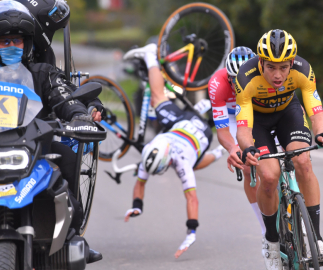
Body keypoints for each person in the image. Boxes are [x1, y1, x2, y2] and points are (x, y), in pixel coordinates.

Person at [0, 0, 104, 263]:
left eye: (17, 41)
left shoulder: (43, 73)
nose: (11, 47)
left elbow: (65, 97)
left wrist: (80, 115)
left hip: (35, 146)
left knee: (67, 160)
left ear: (28, 44)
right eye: (4, 41)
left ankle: (70, 235)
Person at [235, 29, 323, 269]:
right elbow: (243, 128)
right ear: (261, 62)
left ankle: (317, 240)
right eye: (271, 67)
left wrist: (322, 133)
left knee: (303, 161)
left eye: (284, 67)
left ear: (292, 62)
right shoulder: (246, 78)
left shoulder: (303, 70)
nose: (278, 75)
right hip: (257, 121)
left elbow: (316, 112)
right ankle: (271, 241)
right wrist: (248, 148)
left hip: (288, 112)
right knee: (269, 176)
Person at [122, 43, 224, 259]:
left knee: (193, 163)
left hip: (201, 133)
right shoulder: (150, 151)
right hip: (179, 125)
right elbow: (141, 182)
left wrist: (192, 230)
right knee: (159, 98)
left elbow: (192, 200)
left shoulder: (181, 162)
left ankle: (219, 151)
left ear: (168, 159)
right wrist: (136, 205)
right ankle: (152, 59)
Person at [208, 46, 267, 235]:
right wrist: (233, 148)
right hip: (234, 117)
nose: (239, 83)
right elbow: (223, 131)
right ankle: (264, 226)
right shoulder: (217, 84)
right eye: (234, 80)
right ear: (228, 77)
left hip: (257, 113)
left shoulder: (264, 76)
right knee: (248, 166)